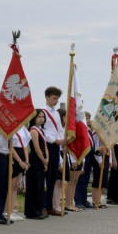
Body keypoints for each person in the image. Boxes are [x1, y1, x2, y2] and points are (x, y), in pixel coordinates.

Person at [41, 87, 66, 215]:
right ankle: (43, 205)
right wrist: (56, 141)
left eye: (57, 99)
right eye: (54, 98)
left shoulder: (56, 113)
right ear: (47, 97)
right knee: (46, 176)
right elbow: (43, 132)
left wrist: (63, 142)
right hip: (48, 145)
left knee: (53, 177)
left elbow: (60, 130)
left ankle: (50, 205)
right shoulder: (43, 112)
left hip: (57, 146)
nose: (55, 101)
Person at [25, 111, 49, 219]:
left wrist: (47, 158)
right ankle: (33, 212)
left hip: (42, 160)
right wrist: (43, 160)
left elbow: (45, 146)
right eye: (39, 117)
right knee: (34, 184)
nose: (41, 119)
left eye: (43, 117)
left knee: (40, 185)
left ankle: (39, 209)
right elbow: (36, 148)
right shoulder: (33, 130)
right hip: (35, 159)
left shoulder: (42, 131)